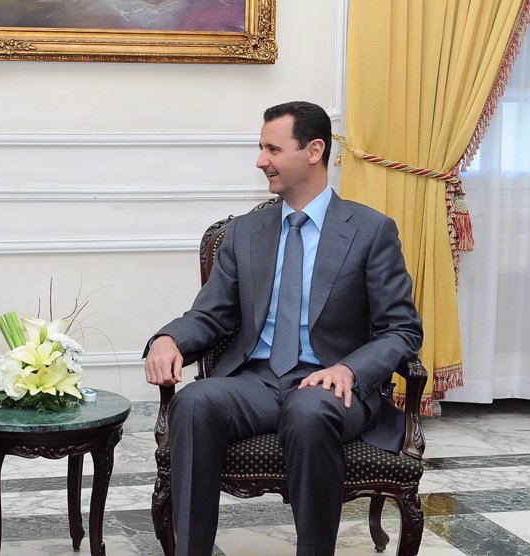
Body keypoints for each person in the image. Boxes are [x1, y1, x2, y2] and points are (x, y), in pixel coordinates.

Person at [143, 101, 422, 556]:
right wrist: (168, 338)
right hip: (254, 383)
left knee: (309, 411)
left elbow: (402, 330)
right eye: (260, 148)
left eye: (272, 148)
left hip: (331, 385)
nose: (260, 160)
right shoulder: (246, 232)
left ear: (313, 151)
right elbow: (212, 314)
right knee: (194, 402)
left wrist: (350, 370)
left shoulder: (370, 231)